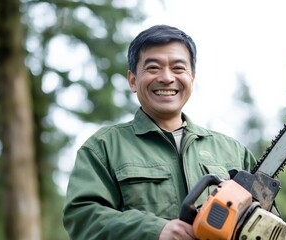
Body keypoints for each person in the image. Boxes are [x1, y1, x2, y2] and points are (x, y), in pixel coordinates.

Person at [63, 24, 257, 240]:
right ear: (133, 80)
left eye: (178, 68)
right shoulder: (104, 147)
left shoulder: (232, 151)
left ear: (192, 79)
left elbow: (267, 221)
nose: (166, 77)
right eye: (153, 68)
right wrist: (155, 231)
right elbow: (82, 217)